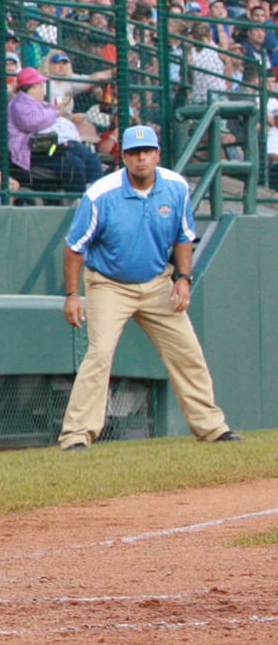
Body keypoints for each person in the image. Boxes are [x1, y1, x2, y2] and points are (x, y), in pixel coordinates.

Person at [57, 125, 240, 450]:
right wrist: (73, 295)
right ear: (124, 157)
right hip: (109, 283)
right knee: (99, 355)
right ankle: (76, 435)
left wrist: (183, 279)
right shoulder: (101, 193)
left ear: (157, 154)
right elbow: (74, 247)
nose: (141, 158)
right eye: (134, 153)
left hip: (157, 282)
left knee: (188, 352)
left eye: (147, 151)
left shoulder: (175, 187)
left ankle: (212, 428)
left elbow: (185, 236)